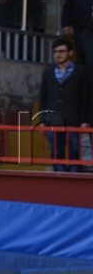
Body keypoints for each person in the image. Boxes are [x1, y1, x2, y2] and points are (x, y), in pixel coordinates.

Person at [38, 37, 90, 173]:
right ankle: (59, 178)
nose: (58, 55)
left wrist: (85, 120)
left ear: (70, 53)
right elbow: (44, 97)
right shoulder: (48, 72)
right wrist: (42, 120)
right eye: (55, 52)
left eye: (61, 51)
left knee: (75, 152)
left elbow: (85, 98)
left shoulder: (81, 72)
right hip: (53, 120)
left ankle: (75, 179)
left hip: (74, 119)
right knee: (56, 153)